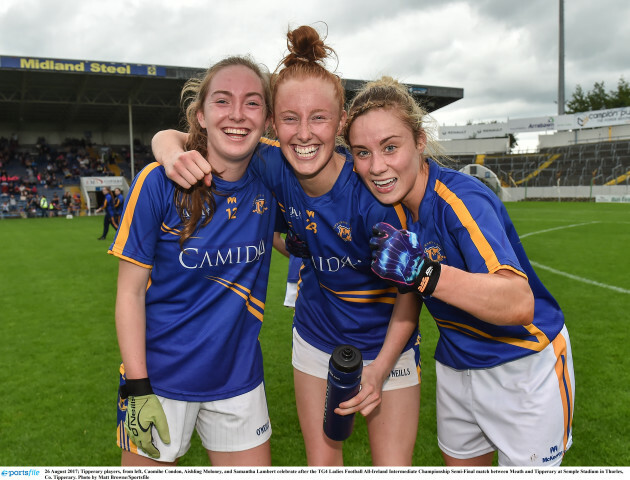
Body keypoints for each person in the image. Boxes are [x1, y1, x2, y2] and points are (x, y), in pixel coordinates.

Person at [152, 25, 422, 466]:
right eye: (290, 119)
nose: (304, 133)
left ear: (340, 125)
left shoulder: (372, 195)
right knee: (322, 466)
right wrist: (166, 149)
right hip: (316, 338)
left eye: (319, 117)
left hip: (387, 345)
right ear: (274, 124)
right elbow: (181, 138)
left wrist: (382, 366)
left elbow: (410, 293)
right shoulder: (271, 162)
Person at [342, 76, 575, 467]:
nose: (376, 166)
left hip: (522, 366)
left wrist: (423, 272)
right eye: (362, 153)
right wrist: (378, 370)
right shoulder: (393, 209)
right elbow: (409, 298)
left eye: (390, 147)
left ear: (419, 141)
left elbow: (519, 302)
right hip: (456, 365)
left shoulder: (461, 199)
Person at [108, 56, 280, 467]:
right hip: (158, 380)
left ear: (268, 119)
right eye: (223, 101)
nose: (238, 114)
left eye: (252, 103)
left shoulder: (274, 177)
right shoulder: (155, 183)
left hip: (239, 380)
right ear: (200, 116)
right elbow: (129, 294)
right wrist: (137, 387)